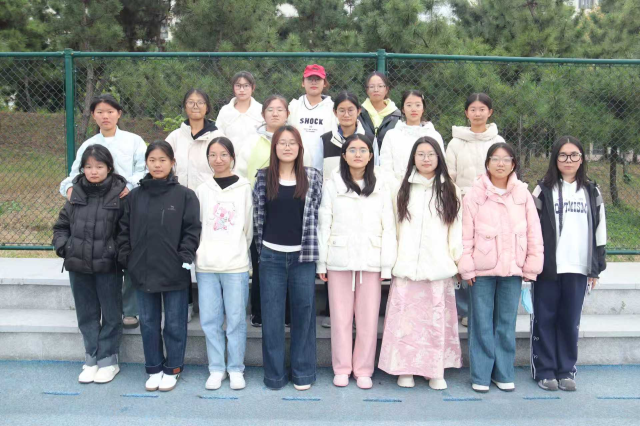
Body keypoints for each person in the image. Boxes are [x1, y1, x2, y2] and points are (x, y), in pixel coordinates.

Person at [458, 142, 543, 393]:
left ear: (513, 164)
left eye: (506, 159)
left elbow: (533, 232)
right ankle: (481, 375)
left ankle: (503, 373)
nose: (500, 164)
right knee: (481, 323)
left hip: (512, 269)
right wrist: (466, 266)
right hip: (481, 271)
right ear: (487, 163)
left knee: (506, 323)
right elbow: (465, 234)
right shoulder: (474, 194)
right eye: (495, 159)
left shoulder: (523, 194)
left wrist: (531, 266)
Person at [378, 137, 462, 390]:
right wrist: (392, 259)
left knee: (434, 323)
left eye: (431, 154)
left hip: (438, 267)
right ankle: (405, 369)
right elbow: (392, 227)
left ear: (439, 158)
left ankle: (434, 370)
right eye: (421, 154)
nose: (426, 159)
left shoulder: (450, 189)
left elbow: (456, 229)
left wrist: (456, 259)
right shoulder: (400, 188)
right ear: (413, 158)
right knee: (406, 322)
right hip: (406, 266)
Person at [117, 141, 201, 392]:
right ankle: (153, 367)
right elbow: (123, 231)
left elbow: (192, 230)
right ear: (146, 163)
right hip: (142, 270)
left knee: (175, 323)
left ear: (173, 163)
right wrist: (127, 258)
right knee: (149, 322)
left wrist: (184, 256)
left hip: (174, 270)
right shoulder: (134, 197)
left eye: (163, 160)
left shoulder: (185, 195)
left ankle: (173, 368)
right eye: (152, 160)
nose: (157, 164)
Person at [59, 93, 146, 330]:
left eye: (110, 111)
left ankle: (130, 309)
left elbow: (144, 170)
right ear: (93, 115)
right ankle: (104, 308)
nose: (105, 116)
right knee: (105, 257)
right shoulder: (88, 144)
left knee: (130, 254)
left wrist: (129, 186)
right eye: (100, 112)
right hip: (95, 210)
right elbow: (75, 174)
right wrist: (68, 188)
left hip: (127, 204)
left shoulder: (134, 141)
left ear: (119, 114)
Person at [317, 134, 396, 389]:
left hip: (371, 261)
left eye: (363, 150)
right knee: (340, 320)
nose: (358, 154)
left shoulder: (381, 185)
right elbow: (324, 223)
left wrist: (387, 264)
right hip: (339, 259)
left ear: (371, 156)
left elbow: (389, 226)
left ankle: (363, 369)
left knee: (368, 320)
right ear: (344, 155)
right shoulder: (333, 184)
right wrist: (321, 263)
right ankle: (341, 368)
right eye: (352, 150)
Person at [530, 136, 606, 392]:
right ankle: (545, 371)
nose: (568, 160)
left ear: (581, 159)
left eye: (574, 155)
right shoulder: (542, 189)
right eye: (563, 155)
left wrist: (596, 267)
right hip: (548, 268)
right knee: (544, 319)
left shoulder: (592, 191)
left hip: (578, 267)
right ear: (555, 158)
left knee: (569, 321)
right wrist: (532, 262)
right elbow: (531, 228)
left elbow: (600, 229)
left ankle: (566, 370)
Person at [253, 125, 323, 390]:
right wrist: (262, 252)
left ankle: (302, 373)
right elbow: (258, 217)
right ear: (274, 147)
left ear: (299, 147)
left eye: (292, 142)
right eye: (282, 142)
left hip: (302, 257)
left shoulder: (313, 177)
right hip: (271, 256)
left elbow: (317, 215)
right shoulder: (263, 177)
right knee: (272, 318)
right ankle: (274, 375)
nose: (287, 147)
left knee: (304, 315)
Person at [53, 144, 127, 385]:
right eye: (88, 166)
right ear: (82, 168)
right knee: (86, 314)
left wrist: (116, 252)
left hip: (108, 265)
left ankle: (108, 360)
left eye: (99, 166)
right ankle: (91, 358)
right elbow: (61, 226)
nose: (93, 171)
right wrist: (65, 247)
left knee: (112, 314)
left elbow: (126, 230)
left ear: (109, 168)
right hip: (78, 264)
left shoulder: (121, 194)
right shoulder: (75, 194)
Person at [237, 95, 308, 327]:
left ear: (288, 114)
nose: (275, 113)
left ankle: (287, 315)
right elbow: (241, 174)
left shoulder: (297, 139)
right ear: (263, 113)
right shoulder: (251, 141)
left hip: (290, 207)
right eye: (270, 109)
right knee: (261, 263)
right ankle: (259, 313)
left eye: (280, 109)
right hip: (260, 207)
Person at [195, 137, 253, 391]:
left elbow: (248, 229)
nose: (218, 160)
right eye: (212, 155)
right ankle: (216, 368)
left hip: (235, 265)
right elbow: (198, 226)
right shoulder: (202, 189)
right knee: (210, 320)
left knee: (237, 320)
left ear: (232, 157)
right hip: (206, 265)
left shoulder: (244, 188)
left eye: (223, 154)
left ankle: (236, 368)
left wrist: (238, 250)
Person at [445, 93, 505, 328]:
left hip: (491, 205)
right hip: (462, 204)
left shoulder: (497, 140)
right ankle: (464, 309)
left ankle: (486, 308)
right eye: (473, 109)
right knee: (463, 253)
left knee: (487, 252)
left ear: (490, 112)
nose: (477, 113)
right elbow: (449, 176)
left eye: (482, 109)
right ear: (466, 113)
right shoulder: (455, 143)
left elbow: (504, 173)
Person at [166, 88, 224, 322]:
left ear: (207, 107)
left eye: (200, 102)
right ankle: (187, 303)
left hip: (209, 202)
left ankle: (214, 305)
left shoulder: (217, 135)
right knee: (182, 252)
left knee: (209, 252)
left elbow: (225, 165)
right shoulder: (175, 136)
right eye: (191, 102)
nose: (195, 106)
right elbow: (165, 164)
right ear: (185, 106)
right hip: (179, 204)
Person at [317, 91, 373, 329]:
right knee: (335, 254)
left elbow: (375, 169)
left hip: (362, 203)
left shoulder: (368, 139)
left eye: (351, 110)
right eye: (342, 110)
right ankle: (334, 312)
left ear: (358, 111)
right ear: (335, 112)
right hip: (334, 202)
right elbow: (318, 171)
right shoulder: (324, 139)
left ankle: (358, 317)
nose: (346, 114)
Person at [380, 90, 444, 181]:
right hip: (397, 186)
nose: (413, 109)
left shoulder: (434, 135)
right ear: (403, 109)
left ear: (423, 109)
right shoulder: (392, 135)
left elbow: (441, 165)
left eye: (418, 105)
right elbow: (386, 166)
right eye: (409, 105)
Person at [288, 64, 335, 171]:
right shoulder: (293, 107)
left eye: (318, 79)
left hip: (325, 168)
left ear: (324, 83)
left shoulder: (333, 108)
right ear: (303, 83)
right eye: (310, 79)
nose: (314, 82)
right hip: (296, 168)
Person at [215, 71, 263, 152]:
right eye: (238, 86)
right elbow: (218, 136)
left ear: (253, 87)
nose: (242, 90)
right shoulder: (225, 111)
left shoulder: (261, 110)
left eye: (246, 86)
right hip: (231, 157)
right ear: (233, 88)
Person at [359, 71, 401, 155]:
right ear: (367, 90)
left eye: (380, 86)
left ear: (386, 89)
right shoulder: (359, 113)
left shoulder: (397, 115)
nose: (376, 90)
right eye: (372, 86)